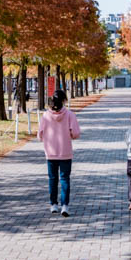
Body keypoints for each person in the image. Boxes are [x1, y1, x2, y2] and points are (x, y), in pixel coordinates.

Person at [38, 89, 80, 217]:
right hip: (65, 151)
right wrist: (69, 135)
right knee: (65, 179)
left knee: (52, 179)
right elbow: (76, 133)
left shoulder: (45, 116)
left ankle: (53, 205)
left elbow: (39, 135)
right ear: (63, 100)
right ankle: (65, 206)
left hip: (50, 152)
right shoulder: (70, 115)